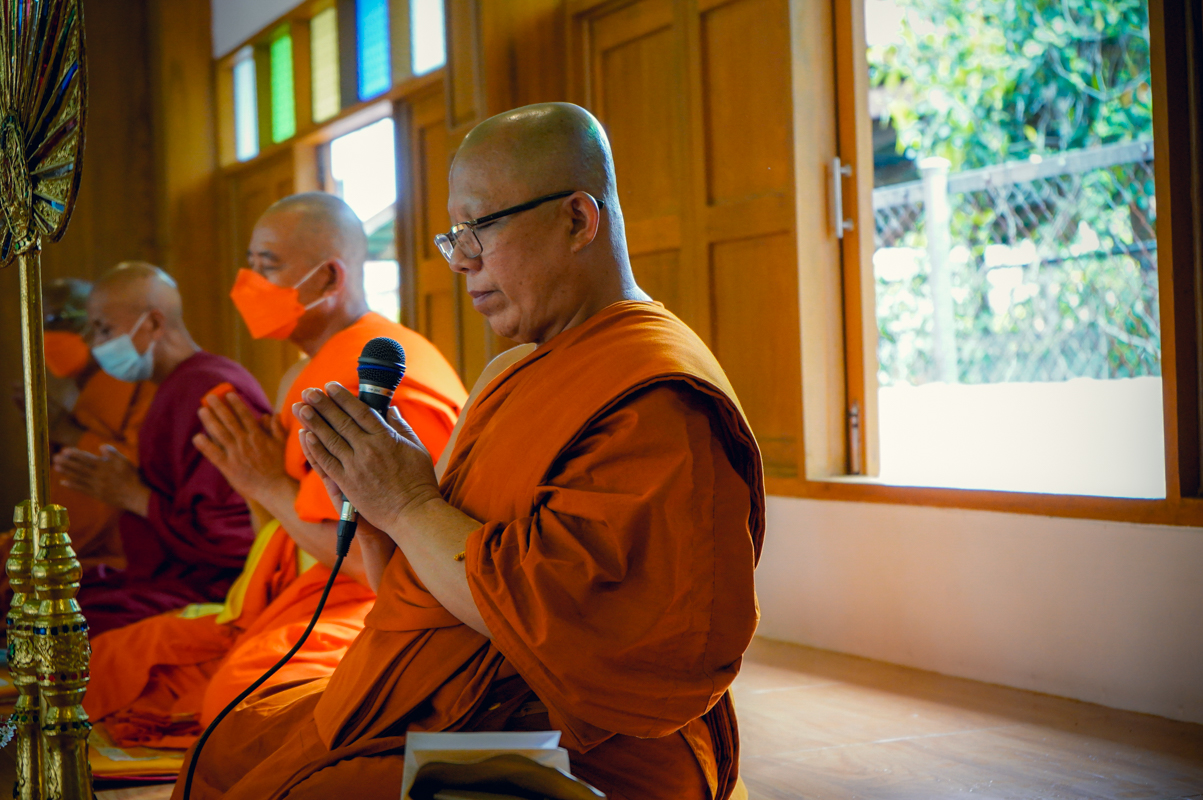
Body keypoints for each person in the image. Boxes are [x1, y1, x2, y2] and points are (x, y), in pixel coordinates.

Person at [177, 103, 763, 800]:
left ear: (578, 219)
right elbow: (425, 580)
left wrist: (407, 502)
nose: (461, 259)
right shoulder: (513, 369)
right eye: (453, 235)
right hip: (455, 689)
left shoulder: (655, 396)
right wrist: (376, 512)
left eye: (479, 227)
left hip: (573, 734)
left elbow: (572, 631)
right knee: (229, 746)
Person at [84, 194, 467, 748]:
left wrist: (264, 483)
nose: (249, 283)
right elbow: (281, 532)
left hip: (371, 600)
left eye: (268, 266)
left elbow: (382, 562)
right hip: (296, 593)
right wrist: (253, 484)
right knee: (109, 660)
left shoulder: (372, 375)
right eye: (250, 264)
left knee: (241, 699)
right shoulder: (310, 370)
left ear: (328, 276)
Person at [51, 262, 269, 635]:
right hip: (170, 572)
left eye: (104, 329)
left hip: (216, 585)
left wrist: (134, 496)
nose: (94, 343)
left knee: (71, 625)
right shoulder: (179, 385)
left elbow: (238, 538)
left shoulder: (211, 391)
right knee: (49, 598)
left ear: (153, 323)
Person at [1, 279, 155, 597]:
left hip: (115, 553)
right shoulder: (80, 389)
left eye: (57, 320)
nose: (47, 334)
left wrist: (66, 431)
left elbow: (131, 472)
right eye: (41, 325)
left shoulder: (138, 383)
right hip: (73, 544)